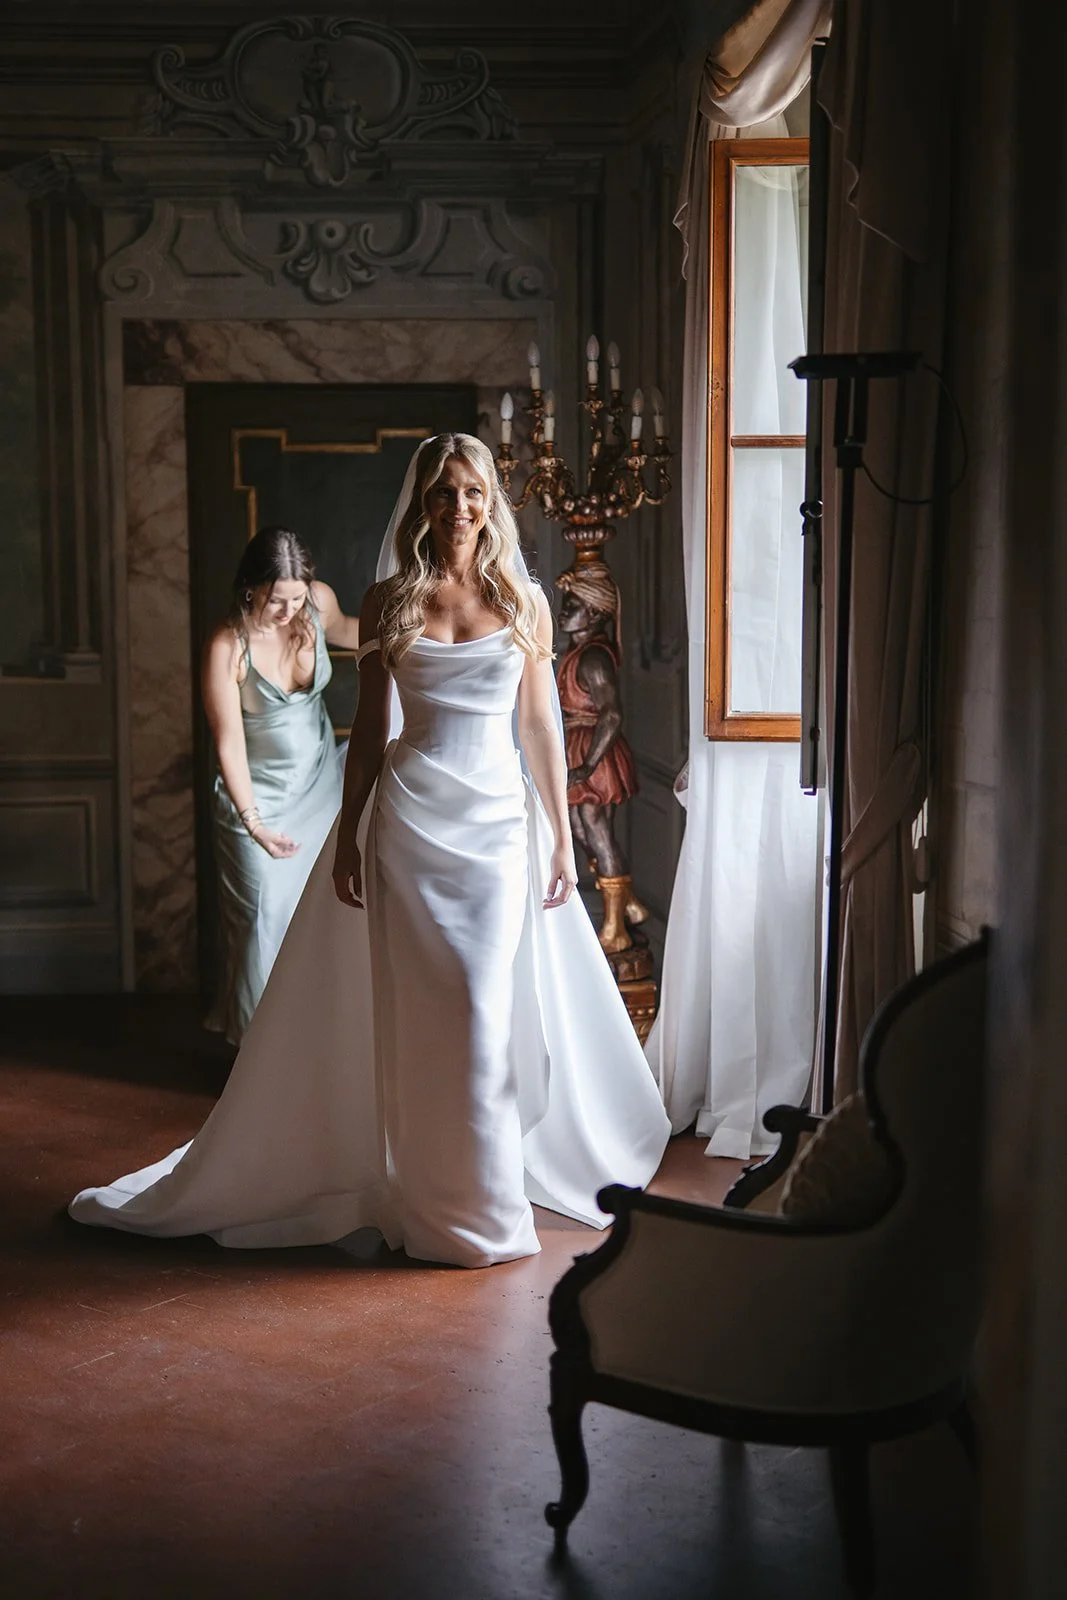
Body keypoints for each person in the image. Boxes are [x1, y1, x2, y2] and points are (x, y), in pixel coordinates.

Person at [70, 436, 671, 1268]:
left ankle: (481, 1209)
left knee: (480, 1007)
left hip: (498, 826)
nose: (458, 507)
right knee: (421, 1015)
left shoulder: (524, 600)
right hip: (409, 823)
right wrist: (349, 838)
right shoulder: (389, 598)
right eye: (442, 493)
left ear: (490, 501)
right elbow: (370, 734)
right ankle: (425, 1197)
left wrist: (561, 839)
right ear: (422, 503)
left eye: (471, 492)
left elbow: (538, 725)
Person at [203, 526, 358, 1043]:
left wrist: (423, 626)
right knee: (261, 922)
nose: (290, 611)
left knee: (320, 919)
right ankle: (256, 1055)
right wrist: (254, 824)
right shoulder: (228, 646)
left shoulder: (317, 603)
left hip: (321, 789)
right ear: (250, 588)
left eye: (297, 598)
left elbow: (353, 632)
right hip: (257, 802)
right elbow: (229, 743)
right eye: (276, 600)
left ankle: (315, 1049)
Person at [555, 559, 649, 953]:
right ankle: (627, 902)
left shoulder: (594, 657)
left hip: (594, 751)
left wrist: (589, 764)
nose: (563, 612)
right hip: (578, 744)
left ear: (594, 613)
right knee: (581, 828)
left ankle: (615, 927)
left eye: (572, 605)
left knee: (596, 829)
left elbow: (611, 713)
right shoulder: (577, 652)